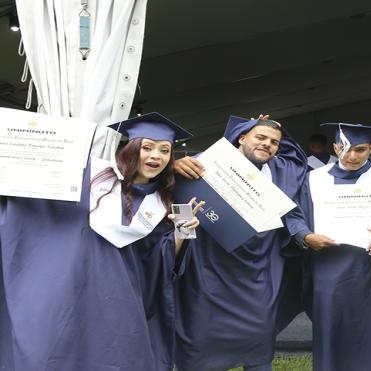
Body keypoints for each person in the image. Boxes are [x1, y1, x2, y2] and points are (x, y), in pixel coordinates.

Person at [0, 113, 201, 371]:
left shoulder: (167, 201)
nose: (156, 156)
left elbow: (158, 263)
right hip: (68, 287)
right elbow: (42, 206)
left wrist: (182, 232)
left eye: (164, 150)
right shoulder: (92, 178)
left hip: (117, 298)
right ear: (131, 148)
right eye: (147, 147)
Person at [172, 115, 307, 371]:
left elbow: (296, 155)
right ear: (241, 138)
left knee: (258, 347)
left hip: (255, 276)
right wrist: (174, 169)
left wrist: (272, 127)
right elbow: (181, 202)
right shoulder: (204, 163)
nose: (268, 144)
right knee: (199, 347)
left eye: (274, 142)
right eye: (260, 137)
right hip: (207, 272)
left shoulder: (280, 173)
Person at [287, 123, 371, 371]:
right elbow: (294, 215)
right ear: (335, 147)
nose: (351, 156)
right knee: (331, 331)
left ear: (370, 148)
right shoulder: (313, 179)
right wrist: (305, 236)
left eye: (360, 149)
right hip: (330, 270)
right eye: (345, 149)